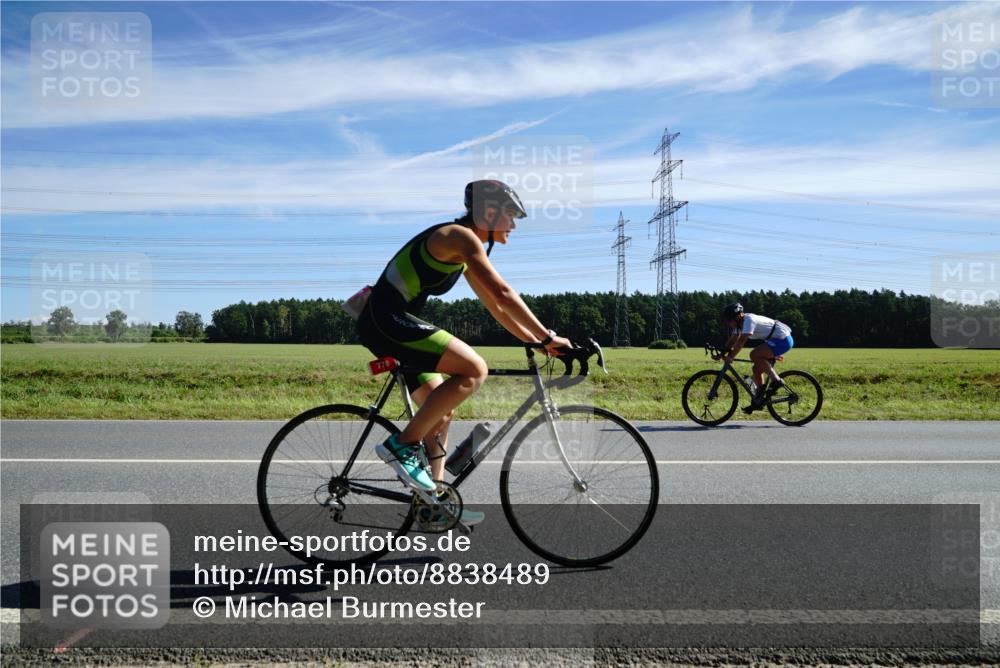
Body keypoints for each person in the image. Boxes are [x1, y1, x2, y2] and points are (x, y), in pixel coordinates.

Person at [355, 180, 572, 525]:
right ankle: (401, 446)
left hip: (392, 322)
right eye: (511, 216)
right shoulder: (460, 237)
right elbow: (502, 292)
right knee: (474, 369)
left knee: (439, 414)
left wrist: (536, 341)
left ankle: (432, 504)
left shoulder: (466, 249)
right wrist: (548, 336)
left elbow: (496, 307)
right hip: (386, 320)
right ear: (488, 212)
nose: (514, 225)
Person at [715, 302, 794, 414]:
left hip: (783, 339)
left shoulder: (748, 320)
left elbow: (742, 340)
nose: (727, 323)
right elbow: (733, 340)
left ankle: (776, 381)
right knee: (756, 370)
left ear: (737, 317)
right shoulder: (739, 325)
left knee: (754, 355)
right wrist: (722, 353)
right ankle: (759, 398)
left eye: (729, 320)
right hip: (775, 341)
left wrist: (731, 356)